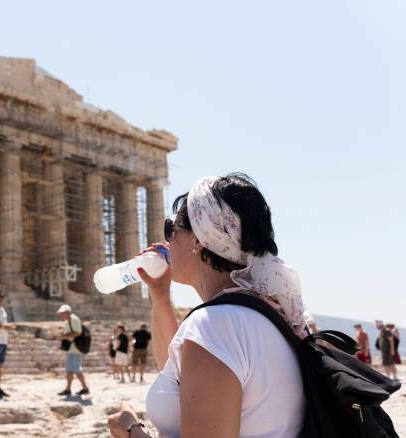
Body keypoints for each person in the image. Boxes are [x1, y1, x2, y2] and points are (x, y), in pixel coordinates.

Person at [108, 174, 306, 438]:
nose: (167, 241)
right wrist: (161, 297)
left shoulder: (216, 325)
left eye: (171, 229)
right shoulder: (263, 312)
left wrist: (130, 428)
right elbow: (180, 376)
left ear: (198, 241)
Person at [56, 304, 90, 396]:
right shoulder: (68, 321)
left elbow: (78, 332)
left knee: (76, 370)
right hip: (71, 349)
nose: (61, 315)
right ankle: (68, 389)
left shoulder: (74, 319)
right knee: (69, 370)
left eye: (62, 313)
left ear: (67, 312)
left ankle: (85, 388)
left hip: (76, 349)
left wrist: (64, 336)